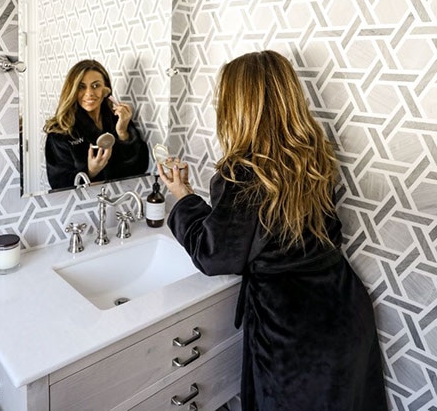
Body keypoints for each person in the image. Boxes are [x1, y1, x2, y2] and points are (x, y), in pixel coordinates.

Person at [157, 50, 388, 411]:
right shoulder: (313, 153)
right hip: (345, 308)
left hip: (294, 333)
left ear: (239, 106)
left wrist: (183, 195)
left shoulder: (244, 172)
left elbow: (214, 254)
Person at [44, 59, 148, 189]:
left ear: (106, 90)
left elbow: (141, 167)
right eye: (81, 87)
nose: (89, 93)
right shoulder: (60, 132)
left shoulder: (118, 120)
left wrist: (123, 133)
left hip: (120, 199)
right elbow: (58, 185)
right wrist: (91, 172)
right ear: (72, 91)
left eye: (96, 85)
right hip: (85, 206)